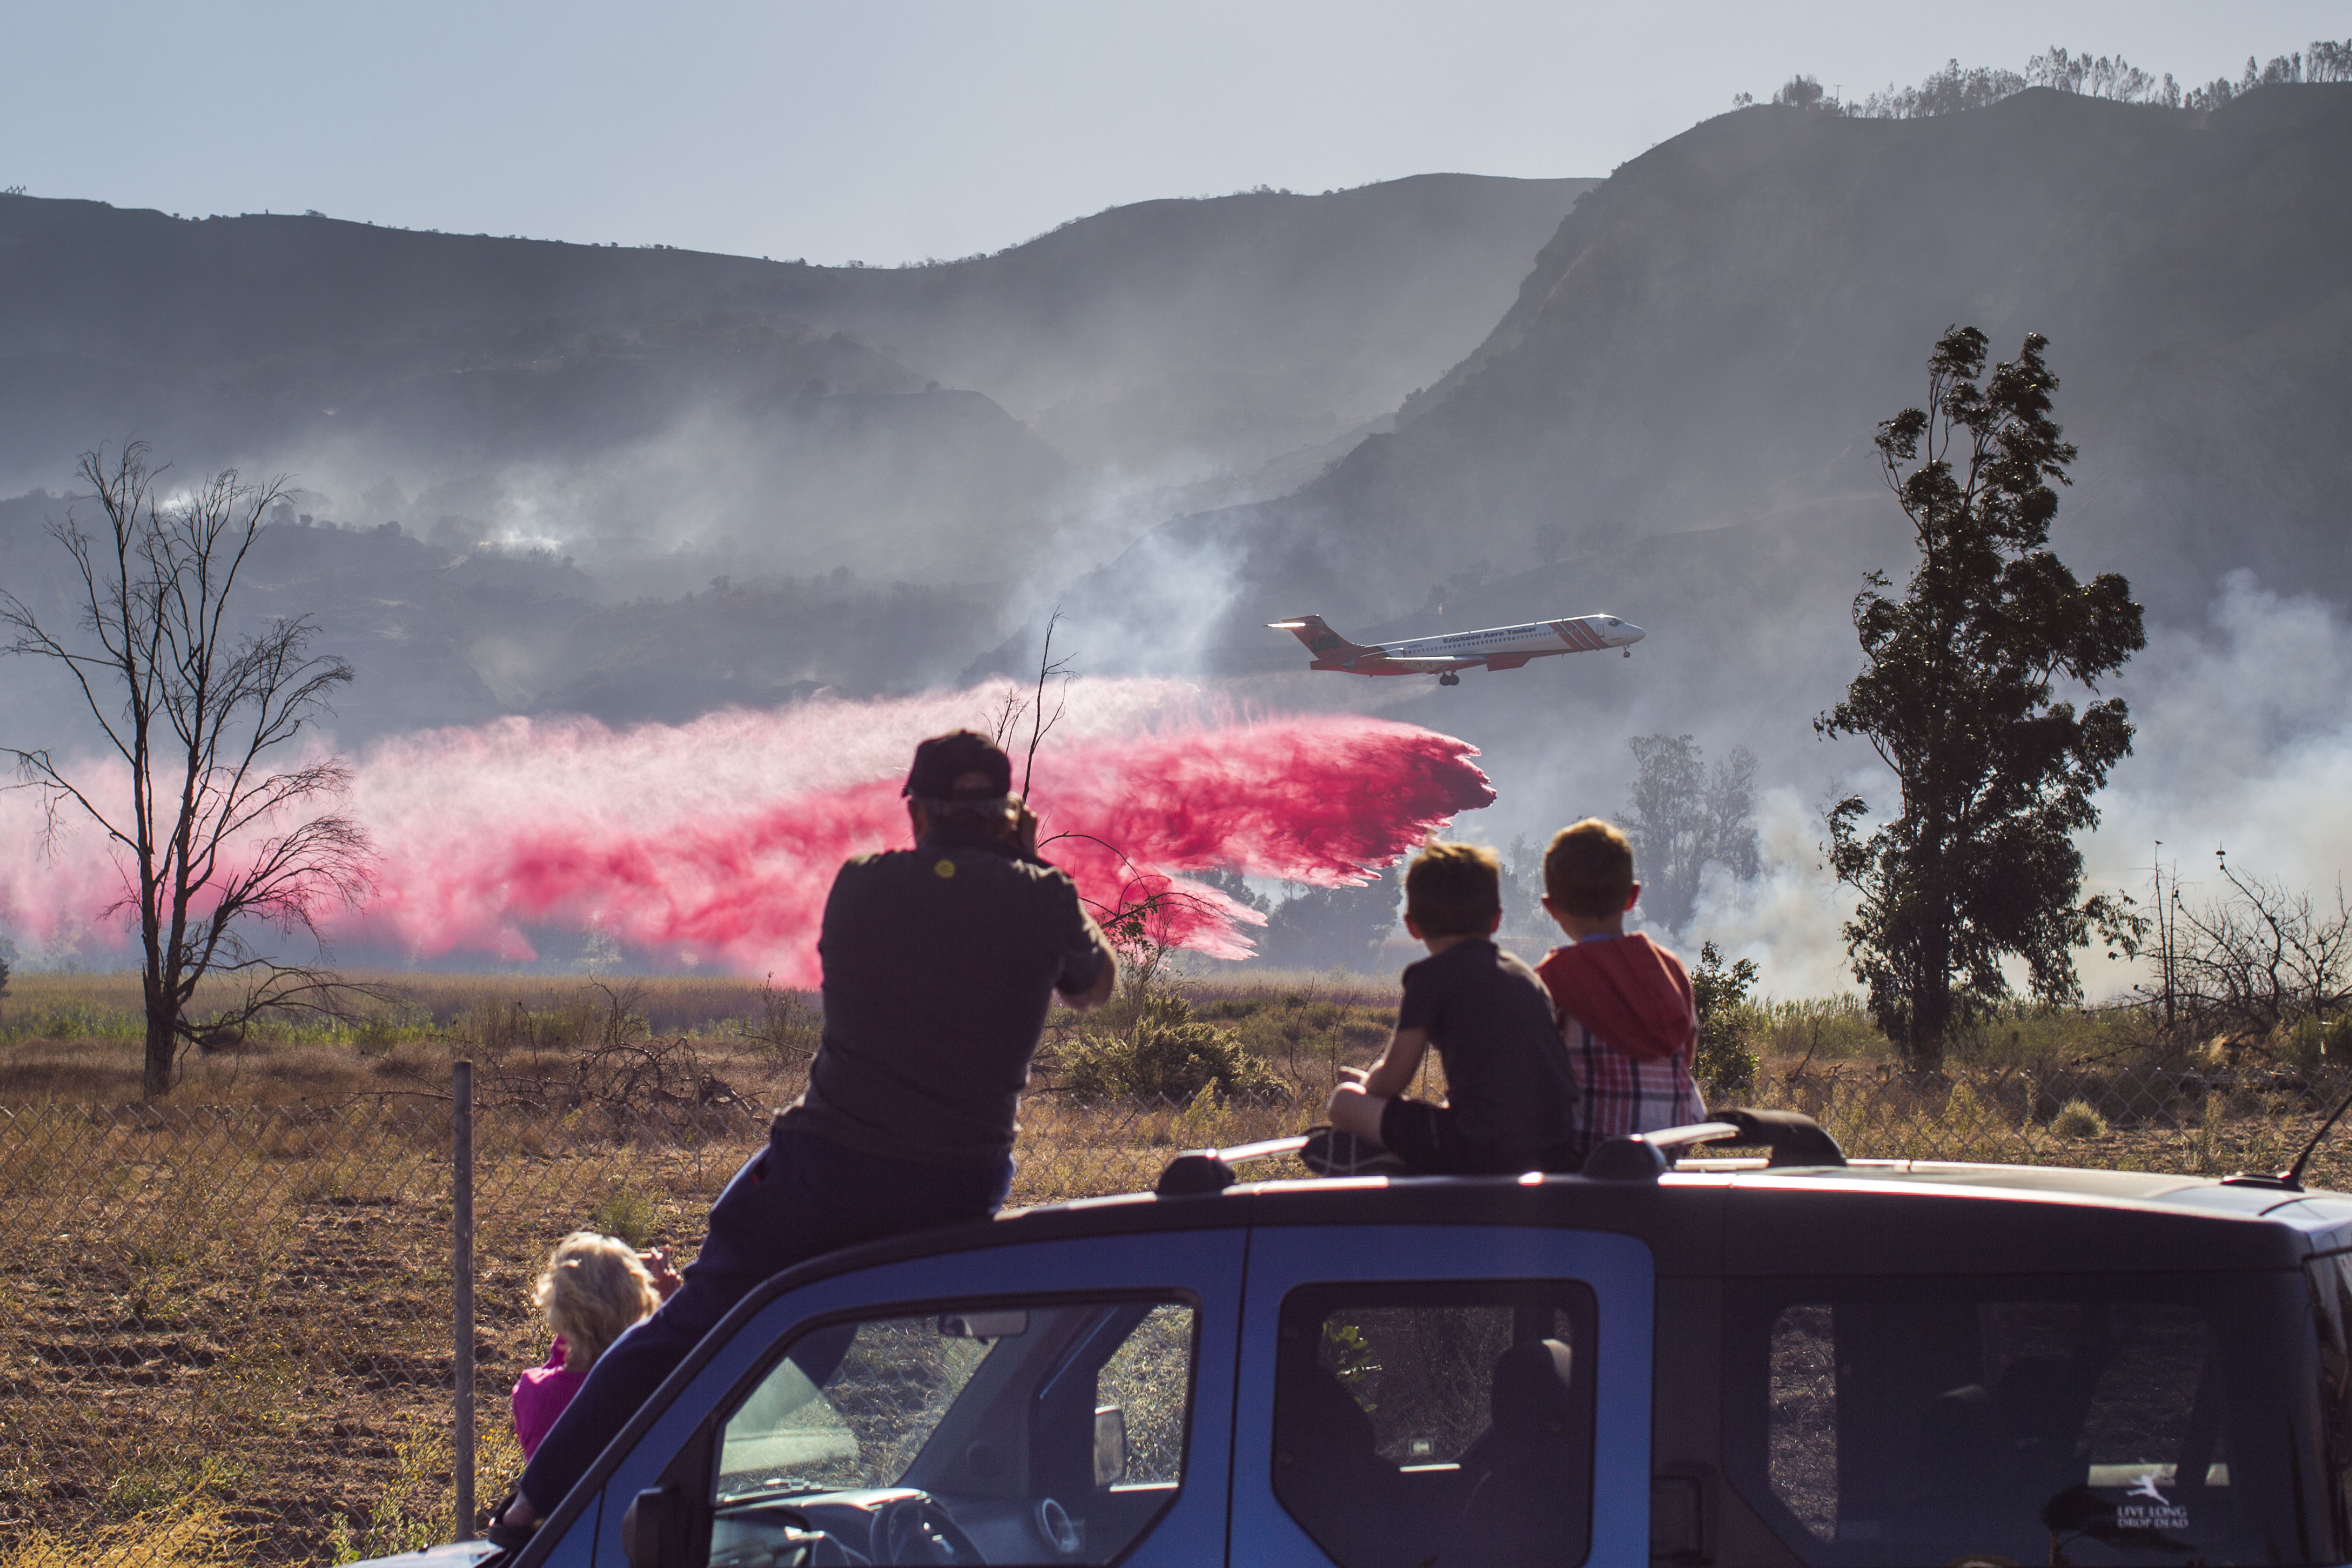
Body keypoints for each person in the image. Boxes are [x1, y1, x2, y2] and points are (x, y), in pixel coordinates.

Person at [499, 730, 1117, 1533]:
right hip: (959, 1189)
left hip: (828, 1171)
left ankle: (537, 1508)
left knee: (691, 1325)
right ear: (1007, 813)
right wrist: (1033, 867)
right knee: (812, 1342)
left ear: (917, 810)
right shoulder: (1044, 895)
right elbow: (1094, 986)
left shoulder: (860, 885)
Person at [1321, 841, 1582, 1174]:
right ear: (1496, 920)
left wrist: (1365, 1087)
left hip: (1481, 1147)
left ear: (1412, 926)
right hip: (1555, 1145)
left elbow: (1392, 1078)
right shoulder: (1526, 976)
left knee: (1344, 1101)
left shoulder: (1429, 977)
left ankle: (1392, 1160)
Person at [1533, 819, 1703, 1146]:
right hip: (1670, 1143)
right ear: (1632, 897)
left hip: (1593, 1151)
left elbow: (1535, 1066)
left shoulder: (1554, 976)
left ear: (1550, 908)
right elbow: (1687, 1051)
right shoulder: (1669, 967)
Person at [511, 1234, 681, 1461]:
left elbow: (564, 1364)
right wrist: (670, 1308)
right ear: (638, 1302)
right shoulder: (652, 1385)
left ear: (559, 1304)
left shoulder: (532, 1394)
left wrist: (577, 1309)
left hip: (564, 1499)